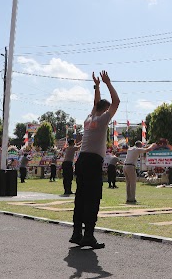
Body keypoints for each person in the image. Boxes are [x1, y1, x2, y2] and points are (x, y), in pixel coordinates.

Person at [70, 70, 120, 249]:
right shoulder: (103, 119)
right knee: (93, 199)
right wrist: (108, 83)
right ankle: (88, 236)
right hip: (92, 162)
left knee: (81, 197)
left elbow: (95, 102)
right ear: (105, 109)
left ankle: (77, 233)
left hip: (81, 160)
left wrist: (97, 86)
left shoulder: (89, 117)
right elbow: (117, 102)